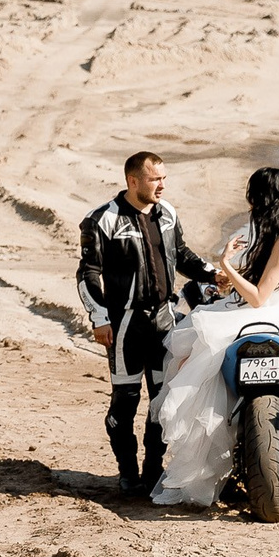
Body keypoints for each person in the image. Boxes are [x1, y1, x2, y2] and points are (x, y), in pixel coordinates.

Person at [148, 167, 279, 511]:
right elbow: (259, 283)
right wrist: (228, 278)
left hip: (270, 313)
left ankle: (203, 439)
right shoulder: (275, 234)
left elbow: (260, 297)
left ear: (261, 199)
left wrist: (226, 264)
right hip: (272, 312)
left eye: (252, 197)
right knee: (198, 347)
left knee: (197, 344)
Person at [76, 151, 198, 495]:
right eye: (154, 179)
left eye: (163, 178)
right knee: (125, 403)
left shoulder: (168, 213)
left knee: (162, 401)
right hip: (125, 326)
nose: (162, 185)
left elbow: (182, 254)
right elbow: (88, 273)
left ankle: (153, 471)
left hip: (164, 323)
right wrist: (99, 318)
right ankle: (128, 473)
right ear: (133, 181)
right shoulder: (102, 219)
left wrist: (213, 275)